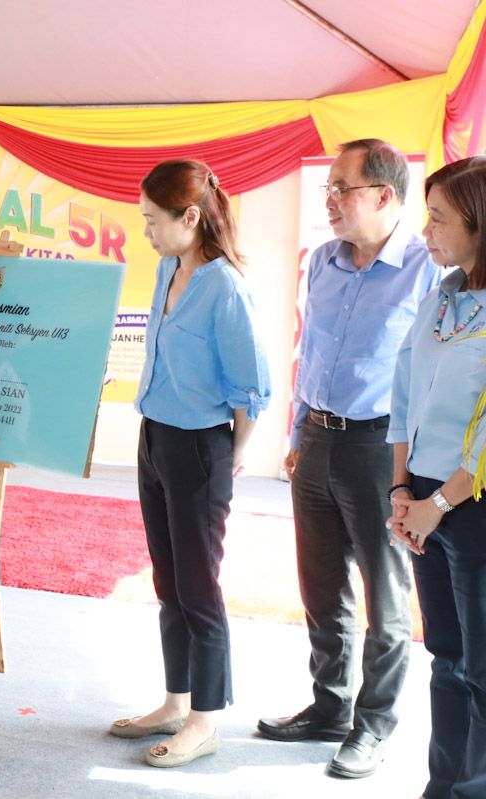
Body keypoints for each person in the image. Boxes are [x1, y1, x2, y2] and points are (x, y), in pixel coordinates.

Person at [257, 139, 441, 778]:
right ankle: (329, 706)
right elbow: (310, 351)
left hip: (380, 448)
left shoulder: (428, 270)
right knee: (320, 586)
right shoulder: (324, 263)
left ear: (385, 196)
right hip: (319, 440)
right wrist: (300, 430)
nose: (329, 200)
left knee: (386, 599)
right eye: (328, 188)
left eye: (342, 188)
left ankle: (375, 726)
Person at [109, 159, 270, 767]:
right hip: (155, 438)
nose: (145, 231)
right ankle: (176, 700)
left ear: (191, 217)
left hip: (202, 447)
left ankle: (205, 719)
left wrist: (236, 456)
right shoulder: (168, 266)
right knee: (167, 582)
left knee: (199, 589)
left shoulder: (227, 287)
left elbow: (251, 388)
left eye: (153, 220)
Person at [387, 156, 486, 799]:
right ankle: (444, 784)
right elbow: (403, 396)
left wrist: (440, 503)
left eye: (440, 218)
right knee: (446, 657)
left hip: (469, 505)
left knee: (482, 668)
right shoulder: (438, 299)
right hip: (423, 497)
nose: (427, 230)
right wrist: (401, 491)